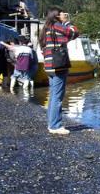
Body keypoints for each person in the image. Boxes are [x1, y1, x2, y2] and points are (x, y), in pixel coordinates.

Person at [39, 7, 79, 135]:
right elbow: (74, 33)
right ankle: (55, 126)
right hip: (58, 66)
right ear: (57, 16)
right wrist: (67, 22)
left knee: (53, 95)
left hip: (49, 66)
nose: (64, 15)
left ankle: (51, 123)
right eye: (62, 13)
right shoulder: (57, 26)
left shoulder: (46, 28)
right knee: (57, 96)